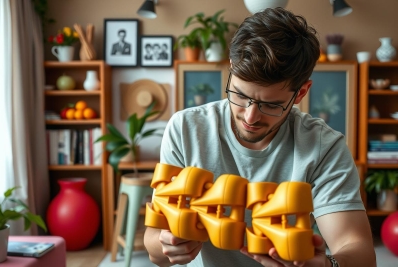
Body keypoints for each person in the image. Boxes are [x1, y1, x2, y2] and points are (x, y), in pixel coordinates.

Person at [144, 7, 376, 267]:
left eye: (271, 104)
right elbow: (154, 243)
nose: (250, 116)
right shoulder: (186, 129)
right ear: (232, 70)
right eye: (240, 95)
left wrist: (327, 265)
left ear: (301, 93)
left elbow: (359, 252)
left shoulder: (324, 146)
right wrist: (166, 245)